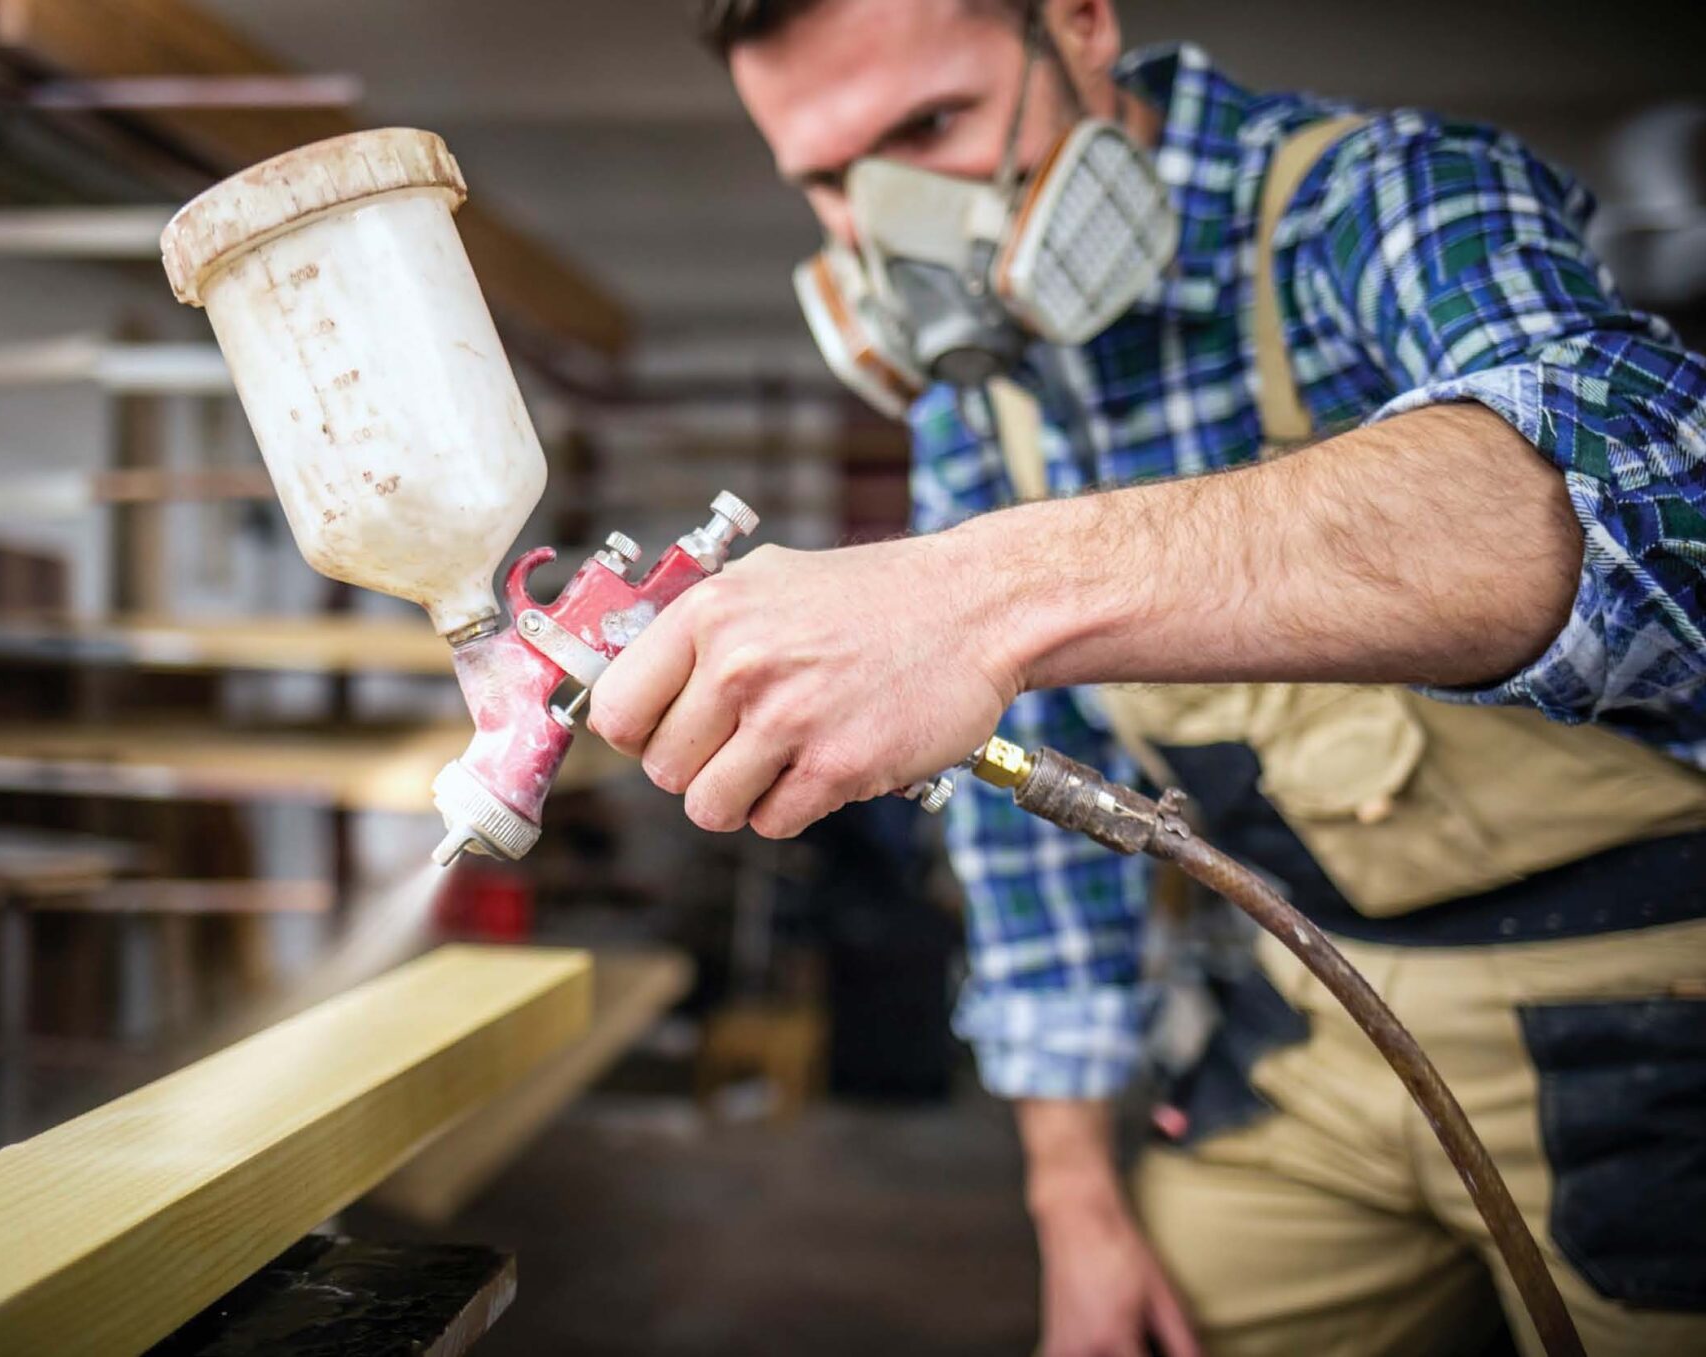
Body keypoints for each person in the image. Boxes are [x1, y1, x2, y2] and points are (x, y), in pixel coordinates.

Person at [585, 2, 1706, 1354]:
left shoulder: (1377, 197)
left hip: (1658, 1001)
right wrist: (1073, 1204)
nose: (885, 218)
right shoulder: (979, 402)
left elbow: (1658, 477)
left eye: (930, 128)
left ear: (1081, 24)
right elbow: (1028, 834)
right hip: (1304, 1009)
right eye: (826, 179)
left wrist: (976, 594)